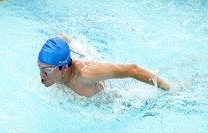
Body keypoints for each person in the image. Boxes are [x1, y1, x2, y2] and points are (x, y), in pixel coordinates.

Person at [37, 33, 170, 98]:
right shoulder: (54, 70)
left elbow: (132, 69)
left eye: (47, 70)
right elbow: (61, 37)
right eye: (40, 67)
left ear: (64, 68)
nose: (41, 75)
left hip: (115, 97)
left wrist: (167, 88)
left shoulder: (87, 74)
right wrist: (77, 47)